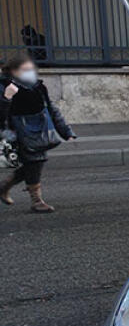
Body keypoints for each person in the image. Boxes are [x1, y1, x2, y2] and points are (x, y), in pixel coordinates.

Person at [1, 51, 76, 213]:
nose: (29, 72)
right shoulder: (5, 86)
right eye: (24, 69)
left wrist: (66, 131)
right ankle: (36, 201)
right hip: (17, 133)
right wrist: (6, 97)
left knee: (33, 163)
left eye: (30, 69)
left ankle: (5, 186)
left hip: (39, 131)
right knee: (35, 162)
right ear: (13, 70)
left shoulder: (38, 87)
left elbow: (52, 109)